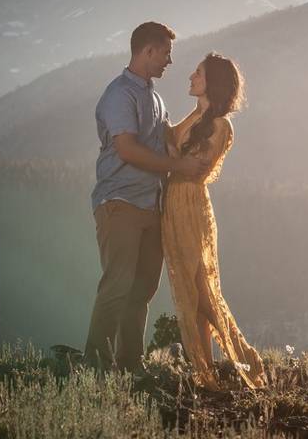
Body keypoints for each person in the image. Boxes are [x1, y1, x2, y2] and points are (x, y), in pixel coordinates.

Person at [84, 21, 212, 372]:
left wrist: (201, 112)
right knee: (117, 285)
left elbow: (169, 135)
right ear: (148, 51)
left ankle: (130, 364)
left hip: (150, 205)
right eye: (166, 54)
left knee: (141, 290)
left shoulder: (153, 96)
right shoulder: (119, 95)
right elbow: (126, 149)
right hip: (120, 202)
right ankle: (94, 365)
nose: (169, 62)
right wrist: (178, 166)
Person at [161, 52, 267, 389]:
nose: (191, 76)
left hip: (191, 206)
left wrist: (170, 152)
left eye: (198, 73)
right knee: (192, 295)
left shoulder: (220, 125)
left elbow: (197, 168)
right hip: (174, 205)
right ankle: (205, 375)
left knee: (203, 295)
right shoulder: (195, 117)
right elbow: (169, 143)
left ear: (213, 83)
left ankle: (248, 362)